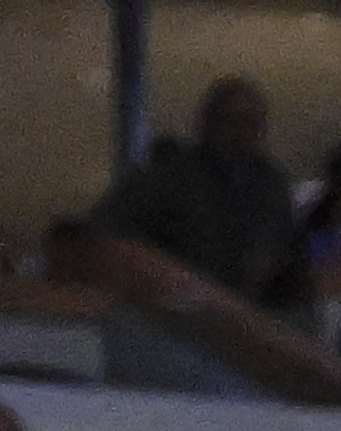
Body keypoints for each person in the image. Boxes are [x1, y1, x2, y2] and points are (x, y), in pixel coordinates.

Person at [89, 79, 304, 305]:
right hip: (175, 310)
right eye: (233, 120)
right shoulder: (169, 175)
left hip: (250, 308)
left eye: (251, 123)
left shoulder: (270, 182)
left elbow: (287, 246)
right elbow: (108, 231)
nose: (242, 132)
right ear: (207, 122)